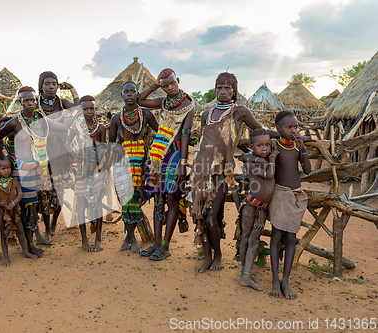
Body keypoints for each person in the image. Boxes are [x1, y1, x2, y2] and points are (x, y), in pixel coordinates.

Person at [191, 72, 279, 273]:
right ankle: (207, 257)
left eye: (227, 88)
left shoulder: (240, 112)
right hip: (200, 169)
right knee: (200, 216)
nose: (222, 92)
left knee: (212, 216)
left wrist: (286, 136)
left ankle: (218, 255)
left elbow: (261, 131)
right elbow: (203, 143)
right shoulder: (206, 114)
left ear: (234, 91)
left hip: (222, 171)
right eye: (219, 87)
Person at [0, 86, 79, 254]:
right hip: (22, 173)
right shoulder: (14, 122)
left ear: (36, 101)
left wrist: (76, 110)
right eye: (26, 100)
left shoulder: (42, 119)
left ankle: (34, 240)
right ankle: (28, 246)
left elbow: (64, 128)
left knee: (34, 208)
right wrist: (6, 155)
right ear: (20, 102)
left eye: (32, 100)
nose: (30, 103)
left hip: (40, 171)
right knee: (27, 209)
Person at [138, 69, 195, 260]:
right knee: (158, 200)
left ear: (177, 80)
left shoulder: (188, 105)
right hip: (158, 154)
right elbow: (140, 100)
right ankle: (156, 243)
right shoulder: (163, 102)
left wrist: (183, 163)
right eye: (165, 86)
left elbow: (185, 134)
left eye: (172, 83)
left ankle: (166, 245)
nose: (170, 88)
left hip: (175, 154)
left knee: (171, 200)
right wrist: (155, 84)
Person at [109, 81, 158, 253]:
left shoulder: (146, 115)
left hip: (142, 164)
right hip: (123, 164)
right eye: (126, 92)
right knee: (125, 200)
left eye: (132, 91)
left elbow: (160, 132)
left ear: (137, 94)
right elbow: (111, 144)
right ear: (121, 95)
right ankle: (131, 237)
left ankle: (130, 237)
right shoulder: (116, 118)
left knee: (136, 198)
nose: (129, 94)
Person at [268, 111, 311, 299]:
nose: (294, 130)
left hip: (295, 195)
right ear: (278, 129)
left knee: (292, 236)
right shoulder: (273, 146)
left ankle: (286, 279)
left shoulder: (296, 146)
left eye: (296, 126)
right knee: (276, 235)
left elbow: (307, 170)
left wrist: (303, 148)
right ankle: (274, 279)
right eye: (289, 127)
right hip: (279, 194)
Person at [37, 71, 79, 243]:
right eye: (47, 83)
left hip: (61, 156)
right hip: (43, 155)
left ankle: (54, 222)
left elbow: (78, 108)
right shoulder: (36, 105)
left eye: (54, 83)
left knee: (60, 192)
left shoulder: (61, 103)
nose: (52, 86)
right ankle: (47, 229)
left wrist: (73, 89)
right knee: (45, 194)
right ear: (41, 86)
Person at [238, 129, 277, 290]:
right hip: (250, 205)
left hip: (262, 208)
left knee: (253, 240)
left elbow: (277, 137)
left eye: (268, 145)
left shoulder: (260, 160)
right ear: (251, 146)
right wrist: (273, 157)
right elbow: (269, 175)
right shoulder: (249, 164)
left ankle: (246, 273)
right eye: (259, 145)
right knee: (245, 237)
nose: (265, 148)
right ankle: (243, 271)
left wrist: (265, 154)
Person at [70, 95, 108, 251]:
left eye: (91, 108)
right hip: (81, 172)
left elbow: (104, 149)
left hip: (97, 172)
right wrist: (74, 155)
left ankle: (98, 239)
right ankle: (84, 239)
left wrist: (104, 172)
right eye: (85, 109)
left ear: (95, 109)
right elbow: (66, 145)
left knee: (98, 205)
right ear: (80, 110)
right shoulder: (75, 128)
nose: (89, 111)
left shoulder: (100, 128)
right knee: (81, 206)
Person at [0, 155, 38, 265]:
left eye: (8, 168)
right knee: (3, 234)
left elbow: (20, 194)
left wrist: (13, 203)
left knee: (20, 232)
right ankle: (6, 256)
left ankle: (25, 251)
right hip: (1, 213)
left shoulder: (14, 181)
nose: (6, 171)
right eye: (3, 169)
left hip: (15, 211)